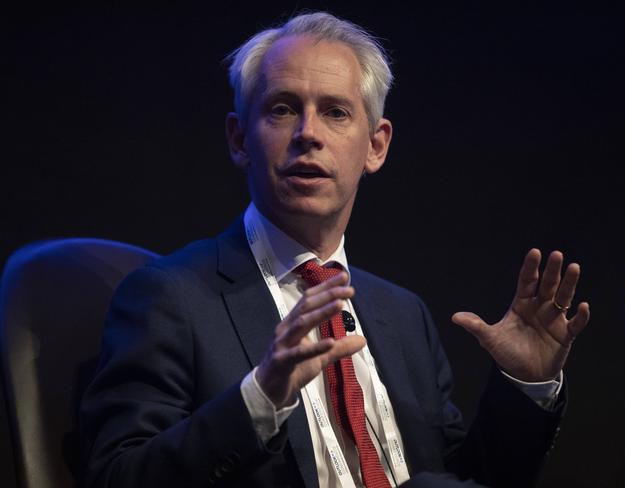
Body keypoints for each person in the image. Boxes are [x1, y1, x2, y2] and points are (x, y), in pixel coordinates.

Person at [80, 12, 590, 488]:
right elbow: (117, 474)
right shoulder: (169, 299)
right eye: (282, 109)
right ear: (239, 139)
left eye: (335, 112)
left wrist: (527, 386)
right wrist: (261, 399)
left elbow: (459, 478)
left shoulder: (402, 315)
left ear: (376, 146)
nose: (308, 134)